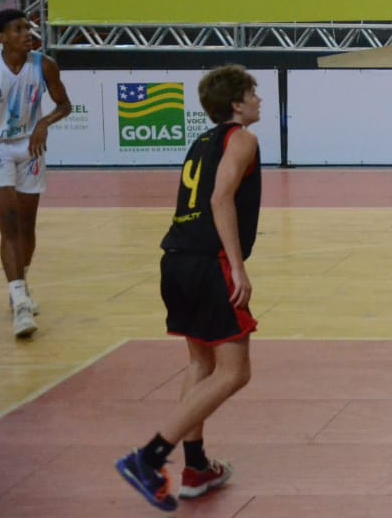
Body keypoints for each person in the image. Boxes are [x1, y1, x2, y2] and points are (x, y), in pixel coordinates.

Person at [116, 65, 263, 512]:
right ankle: (149, 457)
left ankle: (197, 466)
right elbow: (220, 199)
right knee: (235, 371)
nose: (259, 99)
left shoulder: (202, 141)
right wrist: (237, 268)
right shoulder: (241, 138)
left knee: (201, 361)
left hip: (175, 259)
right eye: (252, 93)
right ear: (236, 104)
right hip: (207, 263)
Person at [0, 8, 72, 340]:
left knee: (27, 225)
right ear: (1, 38)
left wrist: (43, 122)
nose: (27, 33)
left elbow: (64, 105)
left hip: (29, 147)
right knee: (8, 220)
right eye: (17, 28)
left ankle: (20, 287)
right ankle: (21, 302)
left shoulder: (44, 65)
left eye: (28, 27)